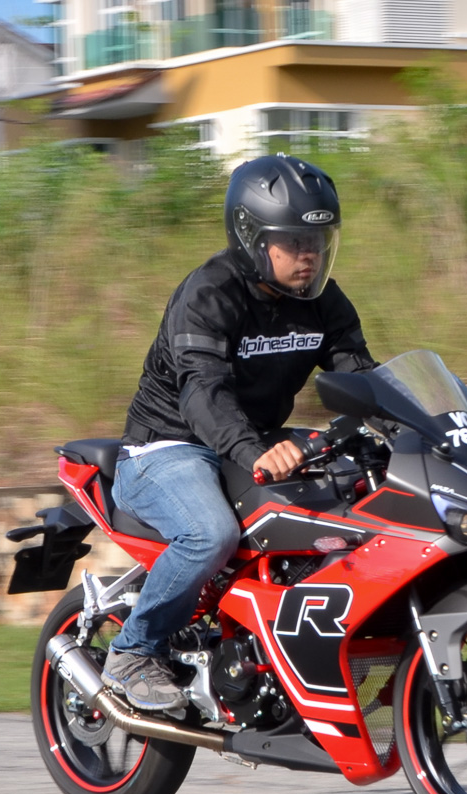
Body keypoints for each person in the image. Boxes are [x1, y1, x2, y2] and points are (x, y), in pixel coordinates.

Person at [102, 153, 377, 711]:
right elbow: (201, 393)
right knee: (210, 534)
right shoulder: (209, 293)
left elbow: (362, 378)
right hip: (169, 443)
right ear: (252, 238)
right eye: (294, 241)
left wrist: (417, 427)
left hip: (255, 437)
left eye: (317, 241)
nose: (309, 254)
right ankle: (132, 651)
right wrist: (255, 451)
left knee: (359, 496)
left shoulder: (323, 300)